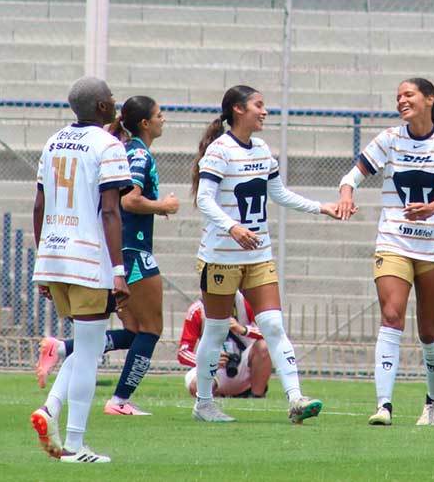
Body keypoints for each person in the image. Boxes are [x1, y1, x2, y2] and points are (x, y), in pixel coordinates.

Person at [190, 84, 341, 424]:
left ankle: (296, 398)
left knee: (272, 323)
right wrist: (233, 227)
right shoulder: (219, 150)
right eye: (259, 105)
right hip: (221, 256)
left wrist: (322, 208)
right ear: (238, 110)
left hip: (258, 254)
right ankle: (203, 404)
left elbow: (280, 194)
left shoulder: (261, 148)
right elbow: (203, 199)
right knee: (214, 332)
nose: (265, 111)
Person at [34, 96, 180, 417]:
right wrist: (163, 206)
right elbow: (129, 202)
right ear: (145, 123)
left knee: (129, 331)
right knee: (151, 329)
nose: (163, 119)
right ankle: (119, 400)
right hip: (132, 250)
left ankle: (60, 349)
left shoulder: (122, 149)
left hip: (112, 249)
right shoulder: (139, 153)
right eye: (159, 114)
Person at [336, 78, 434, 427]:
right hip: (394, 240)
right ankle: (384, 406)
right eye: (397, 97)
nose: (401, 101)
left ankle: (433, 404)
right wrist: (347, 192)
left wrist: (433, 207)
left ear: (429, 99)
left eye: (408, 94)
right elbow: (352, 175)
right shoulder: (391, 138)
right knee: (391, 315)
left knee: (428, 330)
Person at [29, 77, 132, 464]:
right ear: (103, 107)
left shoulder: (53, 141)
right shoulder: (109, 146)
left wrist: (43, 261)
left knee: (85, 346)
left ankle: (50, 409)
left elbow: (39, 206)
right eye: (111, 97)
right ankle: (74, 444)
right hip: (88, 259)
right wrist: (118, 270)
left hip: (55, 255)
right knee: (89, 354)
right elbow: (110, 210)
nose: (115, 100)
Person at [179, 292, 272, 399]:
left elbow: (271, 334)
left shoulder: (246, 302)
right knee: (196, 386)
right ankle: (209, 400)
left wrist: (243, 330)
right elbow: (183, 352)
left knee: (264, 346)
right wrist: (207, 360)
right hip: (214, 368)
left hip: (243, 365)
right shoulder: (197, 310)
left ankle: (256, 397)